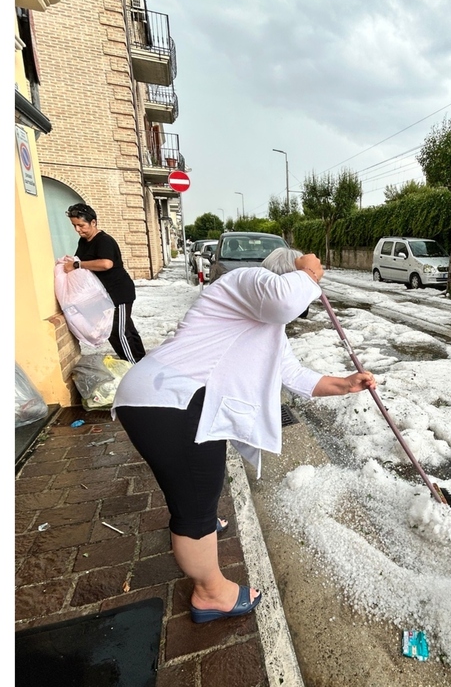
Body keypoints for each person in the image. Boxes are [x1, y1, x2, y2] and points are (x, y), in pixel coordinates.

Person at [112, 248, 375, 623]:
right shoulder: (245, 281)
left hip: (166, 399)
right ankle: (210, 593)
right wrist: (306, 268)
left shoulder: (267, 324)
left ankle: (201, 523)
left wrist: (345, 384)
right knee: (195, 507)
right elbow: (285, 300)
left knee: (198, 481)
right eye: (305, 286)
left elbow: (294, 374)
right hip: (170, 401)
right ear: (284, 278)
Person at [63, 203, 146, 363]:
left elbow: (106, 263)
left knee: (118, 331)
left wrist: (77, 264)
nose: (78, 230)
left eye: (81, 225)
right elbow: (81, 261)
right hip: (105, 294)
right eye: (74, 226)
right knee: (123, 329)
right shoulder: (84, 242)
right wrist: (73, 261)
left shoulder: (104, 241)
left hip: (119, 293)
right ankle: (141, 362)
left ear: (93, 222)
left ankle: (133, 366)